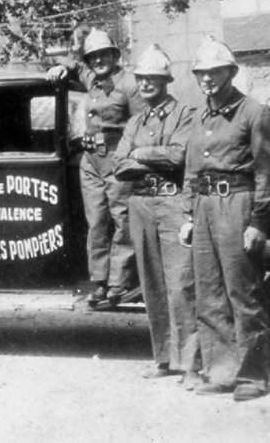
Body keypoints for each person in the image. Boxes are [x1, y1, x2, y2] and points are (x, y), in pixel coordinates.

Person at [179, 37, 270, 401]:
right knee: (210, 292)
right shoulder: (199, 116)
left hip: (238, 205)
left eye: (215, 71)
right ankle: (221, 371)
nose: (207, 78)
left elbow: (266, 172)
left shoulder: (253, 112)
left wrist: (260, 222)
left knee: (243, 292)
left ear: (231, 72)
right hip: (203, 206)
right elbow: (191, 168)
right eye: (201, 72)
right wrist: (188, 214)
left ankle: (253, 376)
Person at [112, 44, 201, 389]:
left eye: (153, 78)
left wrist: (140, 152)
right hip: (141, 206)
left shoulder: (184, 114)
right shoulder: (135, 120)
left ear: (166, 80)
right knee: (151, 285)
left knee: (181, 285)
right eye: (141, 78)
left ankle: (192, 365)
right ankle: (163, 359)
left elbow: (178, 156)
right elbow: (119, 167)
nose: (147, 83)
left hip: (172, 204)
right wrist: (146, 157)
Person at [47, 28, 145, 308]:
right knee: (97, 222)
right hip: (90, 160)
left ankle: (120, 283)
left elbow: (140, 125)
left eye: (104, 54)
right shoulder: (90, 78)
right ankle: (99, 282)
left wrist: (126, 159)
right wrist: (59, 66)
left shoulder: (129, 84)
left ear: (115, 56)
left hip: (117, 157)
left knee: (122, 220)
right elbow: (73, 64)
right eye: (93, 56)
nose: (98, 60)